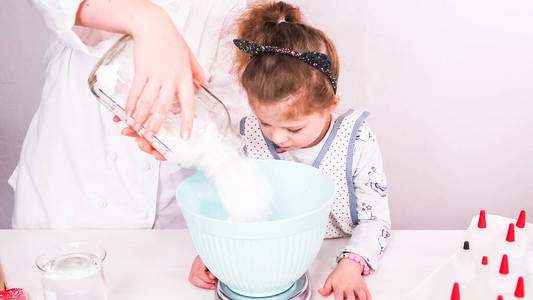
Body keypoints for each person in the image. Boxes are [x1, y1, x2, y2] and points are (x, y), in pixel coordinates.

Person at [187, 2, 392, 299]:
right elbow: (233, 203)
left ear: (331, 106)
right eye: (265, 122)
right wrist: (215, 253)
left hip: (337, 251)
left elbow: (376, 220)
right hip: (271, 255)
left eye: (294, 128)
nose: (277, 137)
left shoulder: (356, 140)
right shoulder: (248, 135)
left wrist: (351, 263)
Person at [9, 0, 249, 228]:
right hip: (73, 194)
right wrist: (147, 19)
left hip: (179, 217)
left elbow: (245, 83)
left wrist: (199, 137)